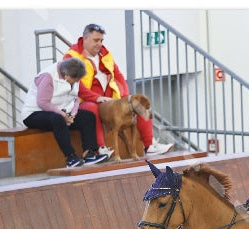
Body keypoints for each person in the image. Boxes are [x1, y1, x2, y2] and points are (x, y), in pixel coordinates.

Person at [64, 23, 174, 158]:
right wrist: (96, 97)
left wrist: (127, 98)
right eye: (96, 40)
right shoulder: (71, 56)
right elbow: (76, 85)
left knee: (138, 103)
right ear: (85, 38)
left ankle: (149, 145)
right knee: (92, 109)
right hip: (86, 100)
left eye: (101, 40)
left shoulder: (105, 53)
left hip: (111, 99)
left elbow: (119, 75)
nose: (99, 44)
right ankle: (101, 148)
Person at [20, 57, 109, 168]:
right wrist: (63, 115)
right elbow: (42, 102)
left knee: (88, 117)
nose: (77, 82)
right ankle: (70, 158)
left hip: (61, 112)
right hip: (34, 113)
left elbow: (75, 97)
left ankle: (89, 154)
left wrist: (73, 114)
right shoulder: (48, 76)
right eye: (75, 80)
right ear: (66, 75)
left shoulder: (73, 74)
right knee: (57, 119)